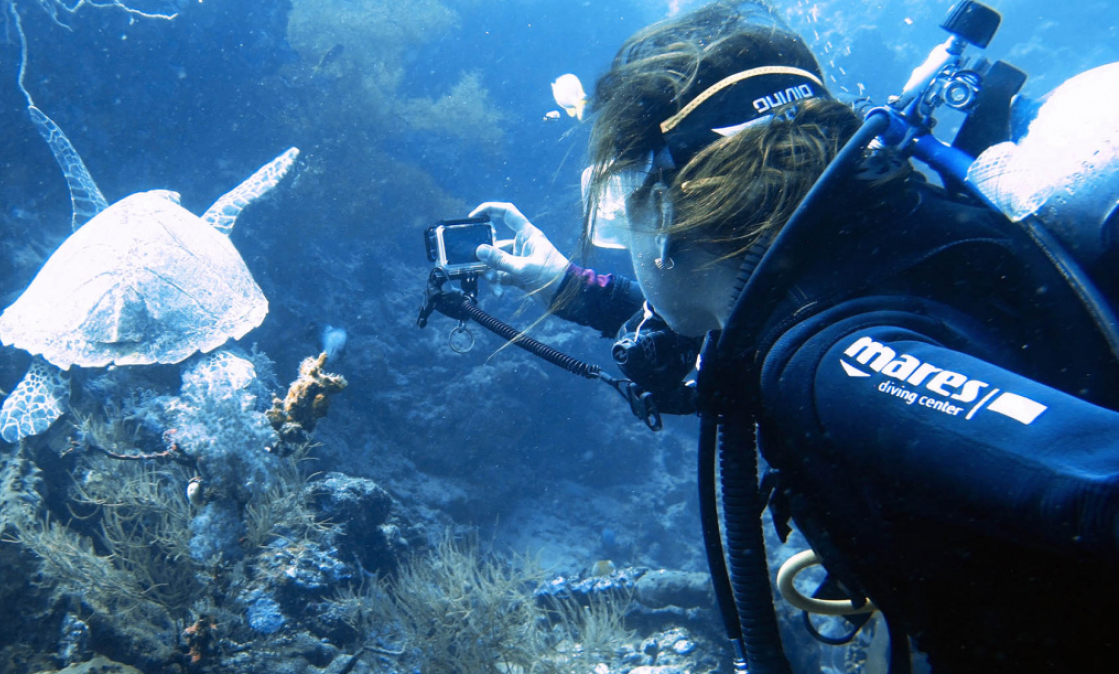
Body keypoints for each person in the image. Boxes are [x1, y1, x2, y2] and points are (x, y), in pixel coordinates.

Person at [470, 1, 1119, 672]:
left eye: (614, 212)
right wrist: (568, 289)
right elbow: (745, 347)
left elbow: (1100, 481)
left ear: (661, 209)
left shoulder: (832, 363)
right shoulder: (885, 243)